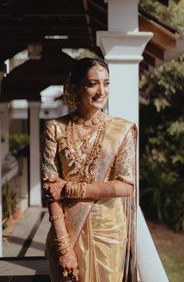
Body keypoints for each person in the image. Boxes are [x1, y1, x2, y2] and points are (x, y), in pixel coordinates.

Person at [41, 58, 137, 282]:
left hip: (108, 236)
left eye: (106, 83)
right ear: (76, 87)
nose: (101, 91)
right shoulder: (55, 129)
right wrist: (64, 248)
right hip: (66, 231)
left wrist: (70, 189)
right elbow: (50, 190)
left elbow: (125, 186)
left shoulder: (122, 130)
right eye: (92, 84)